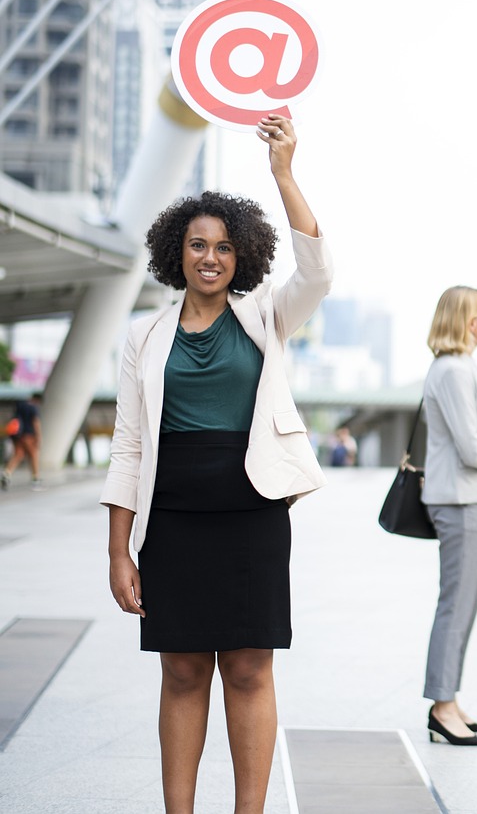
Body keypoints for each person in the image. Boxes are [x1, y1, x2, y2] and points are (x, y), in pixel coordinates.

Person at [100, 116, 330, 814]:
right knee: (182, 670)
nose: (210, 257)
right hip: (172, 520)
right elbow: (128, 444)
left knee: (251, 669)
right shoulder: (144, 334)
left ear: (241, 255)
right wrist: (120, 549)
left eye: (224, 247)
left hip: (253, 513)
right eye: (197, 244)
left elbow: (318, 269)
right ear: (177, 251)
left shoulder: (267, 315)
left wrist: (283, 173)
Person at [421, 286, 477, 747]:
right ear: (467, 320)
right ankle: (441, 707)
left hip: (463, 498)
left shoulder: (459, 367)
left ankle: (449, 701)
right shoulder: (454, 371)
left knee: (462, 603)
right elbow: (471, 446)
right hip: (459, 499)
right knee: (456, 604)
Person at [2, 391, 41, 490]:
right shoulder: (33, 408)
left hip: (18, 434)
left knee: (18, 454)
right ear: (37, 400)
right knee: (33, 455)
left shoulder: (21, 406)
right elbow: (35, 423)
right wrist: (38, 437)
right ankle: (35, 479)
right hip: (29, 435)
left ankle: (7, 473)